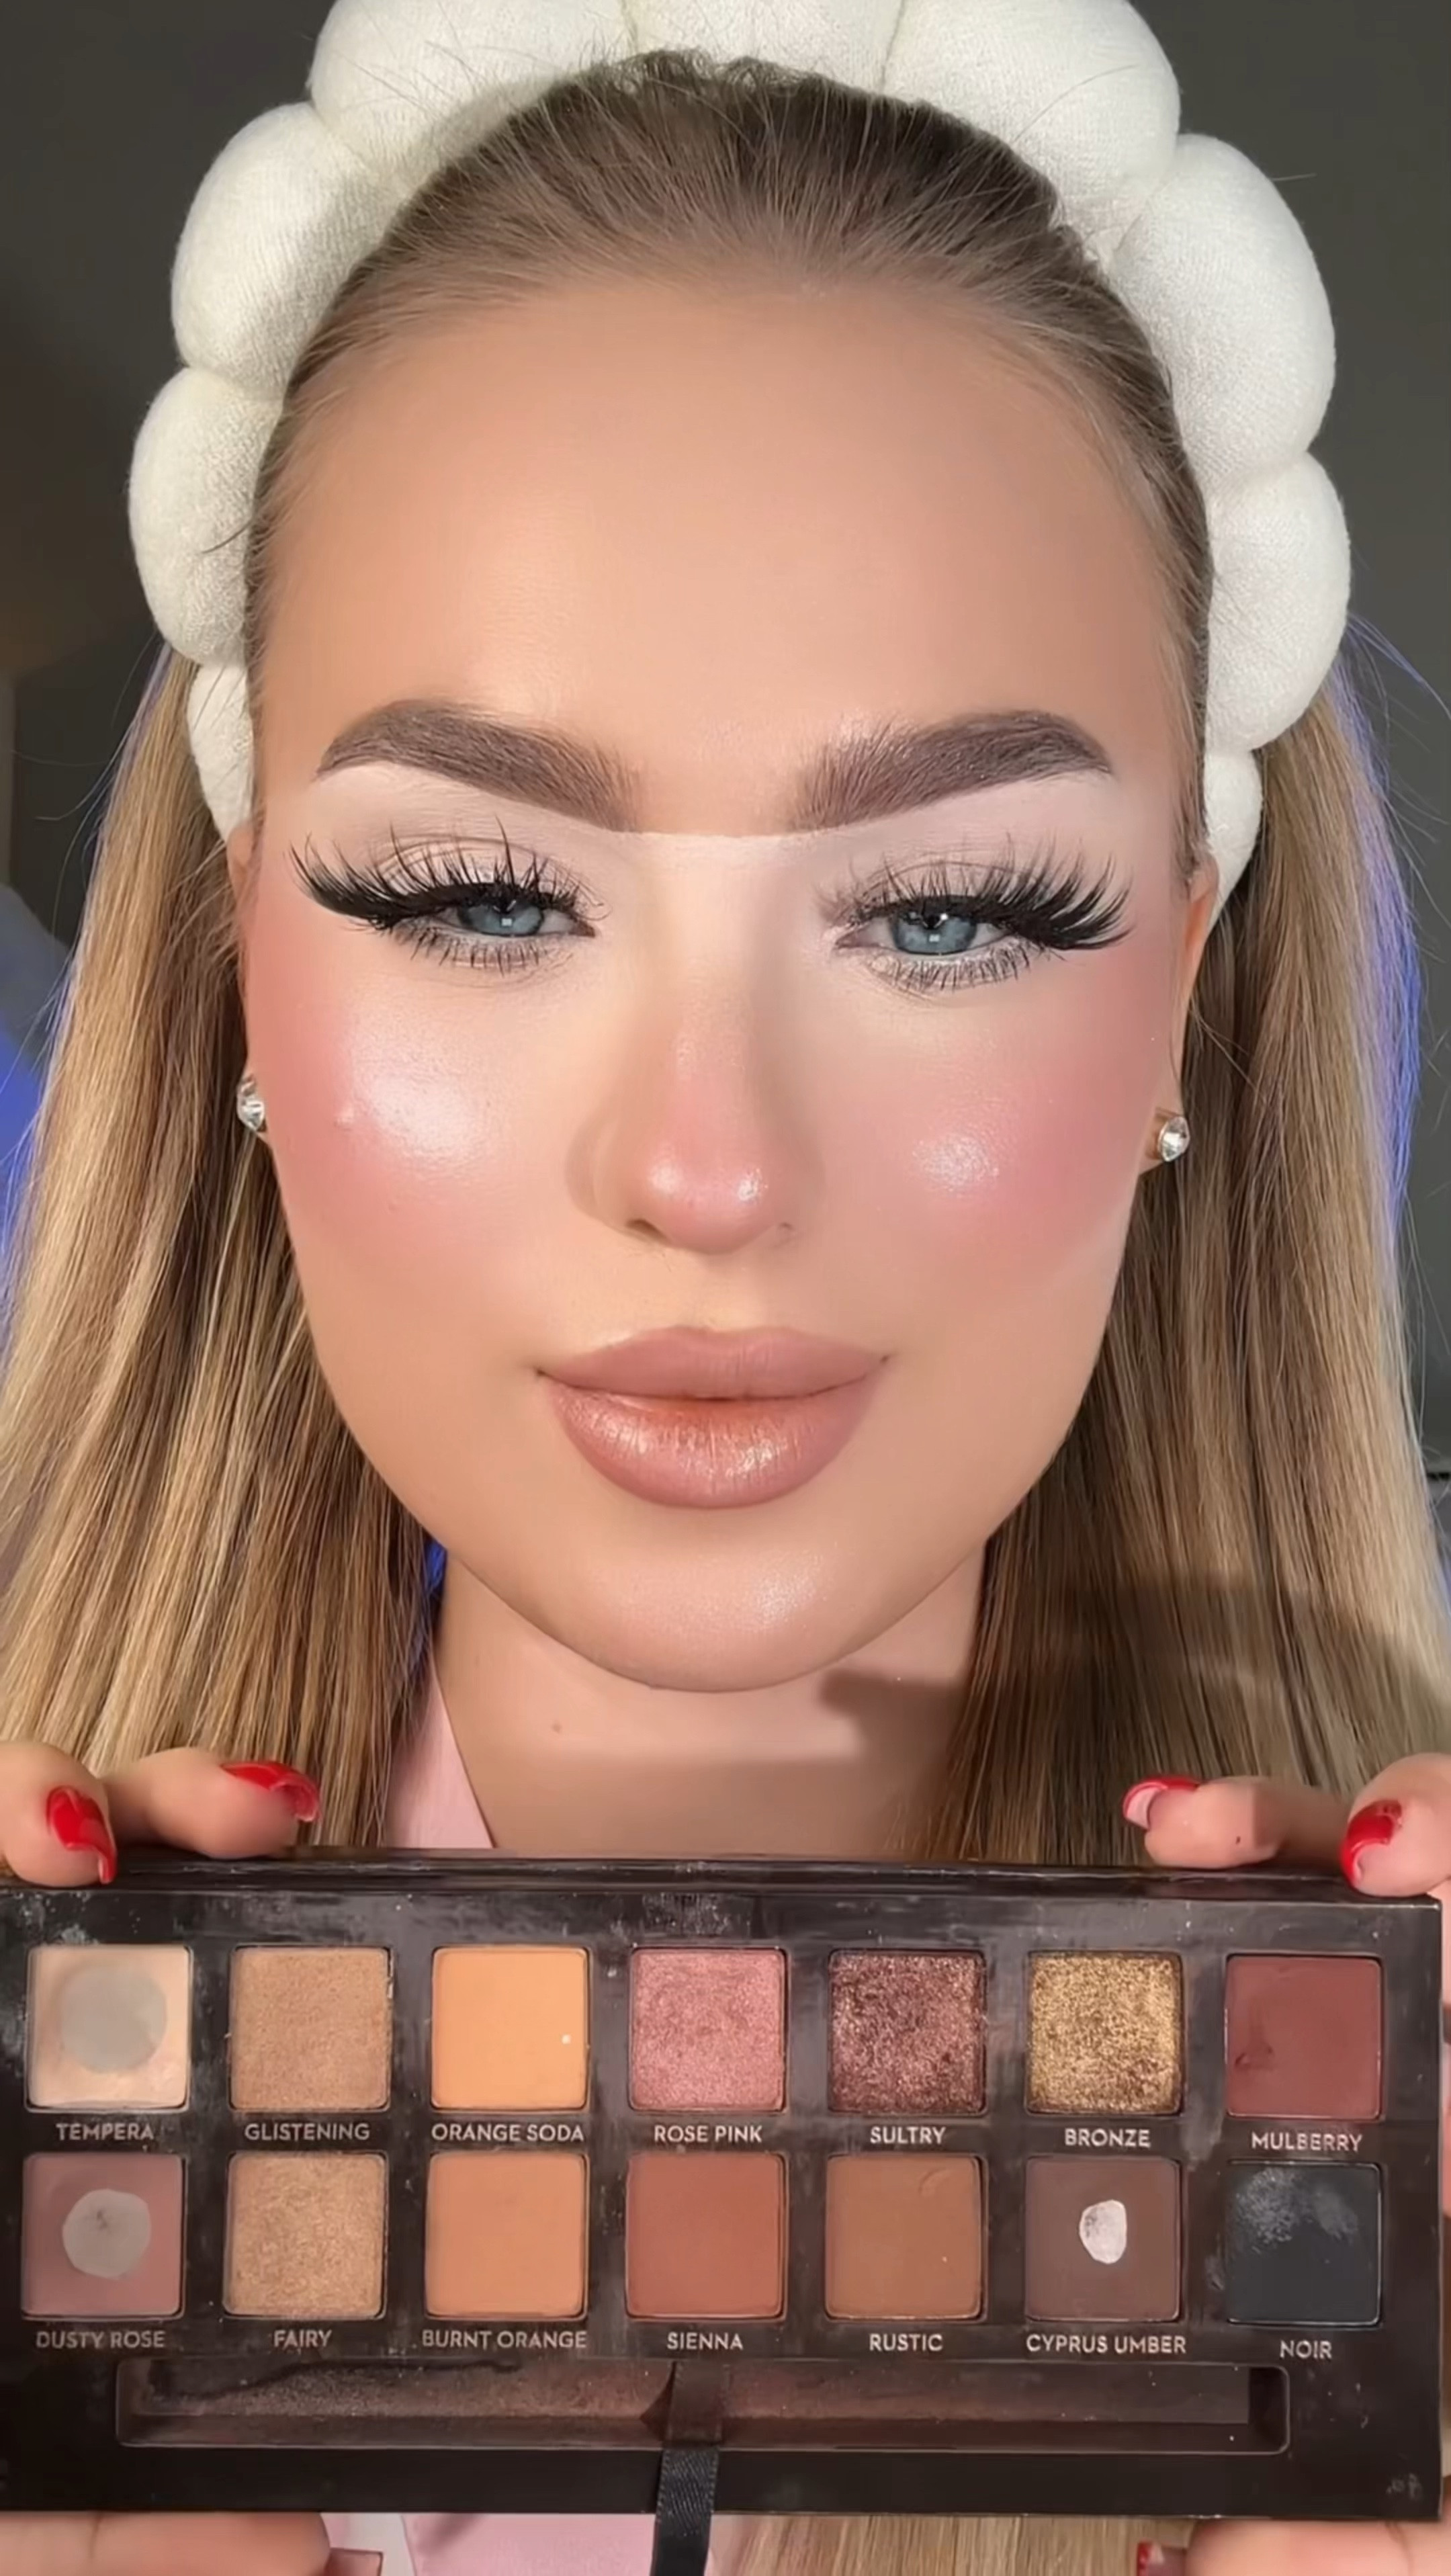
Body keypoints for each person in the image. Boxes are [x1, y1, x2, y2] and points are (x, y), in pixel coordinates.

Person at [2, 6, 1449, 2575]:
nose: (705, 1166)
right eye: (479, 891)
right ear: (243, 979)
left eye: (952, 910)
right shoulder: (72, 2146)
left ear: (1183, 999)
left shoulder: (1372, 2233)